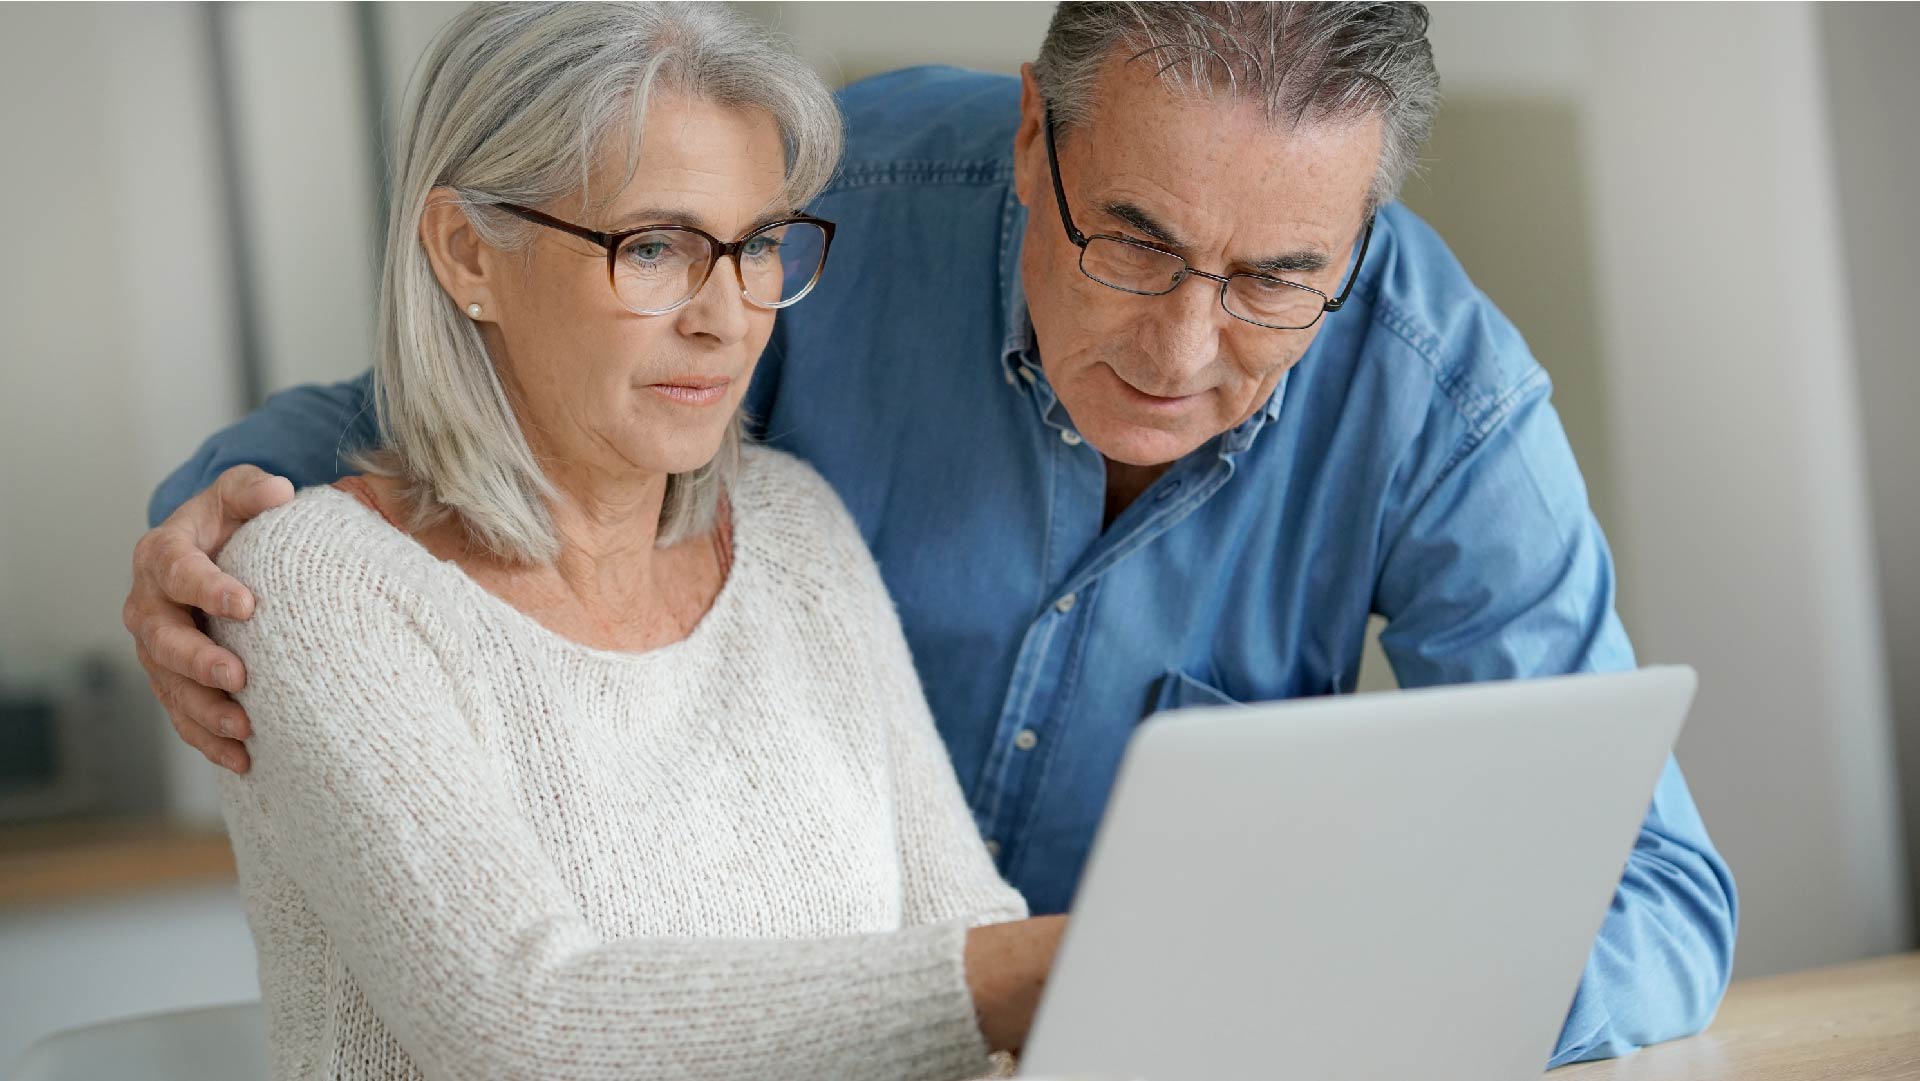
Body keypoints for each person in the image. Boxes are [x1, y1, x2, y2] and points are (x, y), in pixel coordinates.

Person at [128, 1, 1739, 1067]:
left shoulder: (1436, 396)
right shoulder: (858, 209)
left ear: (1363, 232)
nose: (1185, 353)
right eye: (1135, 241)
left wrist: (1343, 1006)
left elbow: (1656, 894)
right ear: (1038, 141)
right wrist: (218, 530)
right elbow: (502, 406)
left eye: (1275, 282)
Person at [174, 5, 1064, 1079]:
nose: (728, 314)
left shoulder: (792, 529)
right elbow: (521, 1024)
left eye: (761, 246)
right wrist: (1017, 976)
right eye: (652, 248)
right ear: (469, 254)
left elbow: (968, 934)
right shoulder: (321, 587)